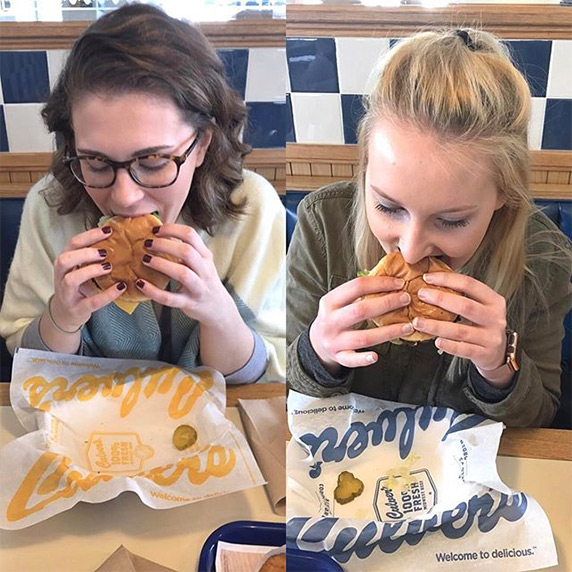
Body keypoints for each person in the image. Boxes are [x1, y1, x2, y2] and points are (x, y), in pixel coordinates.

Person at [287, 28, 572, 426]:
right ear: (365, 170)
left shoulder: (543, 257)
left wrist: (498, 366)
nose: (411, 249)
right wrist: (316, 354)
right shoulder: (323, 226)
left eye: (451, 220)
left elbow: (540, 418)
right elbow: (282, 394)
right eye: (388, 207)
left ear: (503, 195)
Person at [0, 3, 285, 383]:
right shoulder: (50, 207)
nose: (124, 197)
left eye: (152, 162)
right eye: (96, 162)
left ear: (200, 145)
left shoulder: (251, 209)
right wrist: (62, 317)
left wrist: (217, 313)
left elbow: (261, 378)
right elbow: (26, 361)